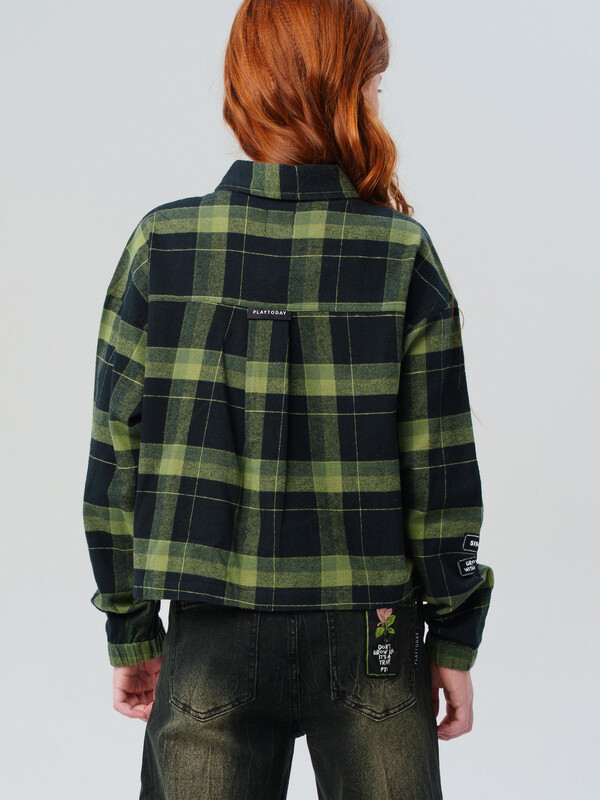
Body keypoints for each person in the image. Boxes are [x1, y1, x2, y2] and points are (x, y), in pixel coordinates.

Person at [82, 1, 494, 797]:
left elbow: (114, 457)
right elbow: (443, 472)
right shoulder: (401, 253)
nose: (377, 103)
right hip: (376, 634)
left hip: (209, 631)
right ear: (347, 92)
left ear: (247, 86)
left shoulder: (162, 245)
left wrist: (129, 626)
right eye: (374, 85)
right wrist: (455, 634)